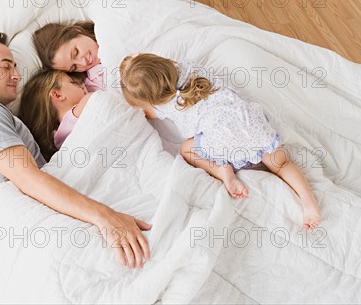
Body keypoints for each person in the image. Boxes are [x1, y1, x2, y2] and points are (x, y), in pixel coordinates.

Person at [0, 33, 151, 268]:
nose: (17, 75)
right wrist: (104, 216)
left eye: (15, 66)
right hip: (22, 223)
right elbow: (28, 179)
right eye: (6, 67)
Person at [119, 53, 321, 230]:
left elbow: (147, 111)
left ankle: (222, 170)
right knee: (283, 164)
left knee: (187, 150)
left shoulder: (164, 106)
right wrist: (138, 62)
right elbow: (160, 66)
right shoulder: (189, 67)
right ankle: (307, 199)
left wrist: (138, 96)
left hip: (221, 141)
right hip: (251, 123)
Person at [18, 69, 94, 161]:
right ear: (57, 95)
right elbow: (101, 98)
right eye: (73, 82)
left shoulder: (57, 138)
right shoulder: (86, 102)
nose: (81, 84)